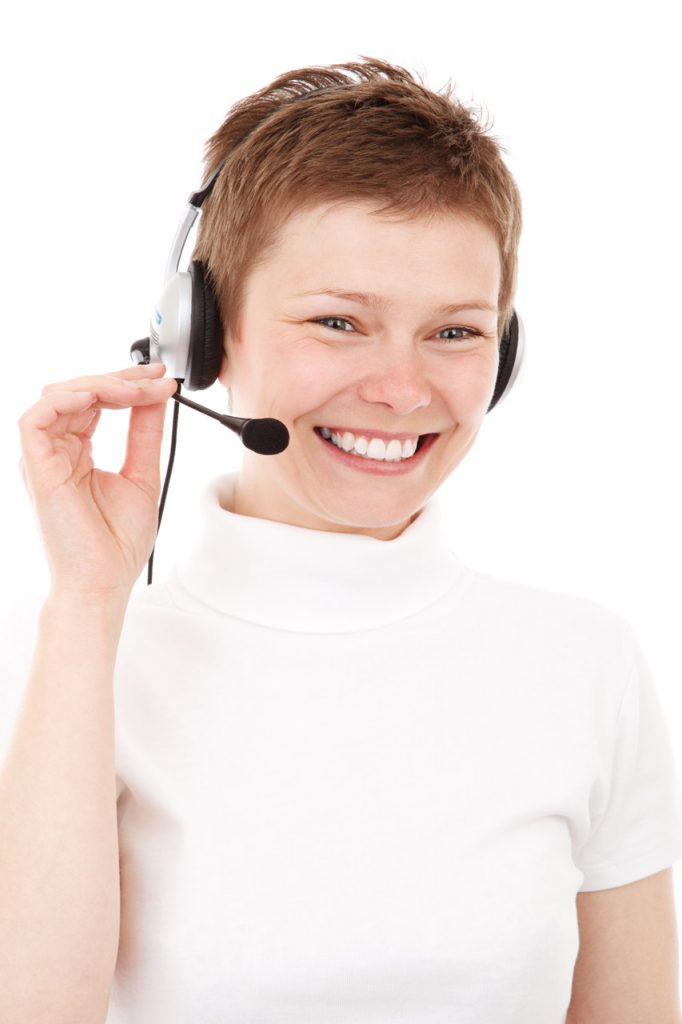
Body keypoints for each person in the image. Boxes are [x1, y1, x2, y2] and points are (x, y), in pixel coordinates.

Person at [1, 56, 681, 1024]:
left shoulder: (584, 660)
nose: (402, 390)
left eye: (453, 334)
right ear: (202, 336)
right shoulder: (55, 655)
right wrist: (88, 604)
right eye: (337, 321)